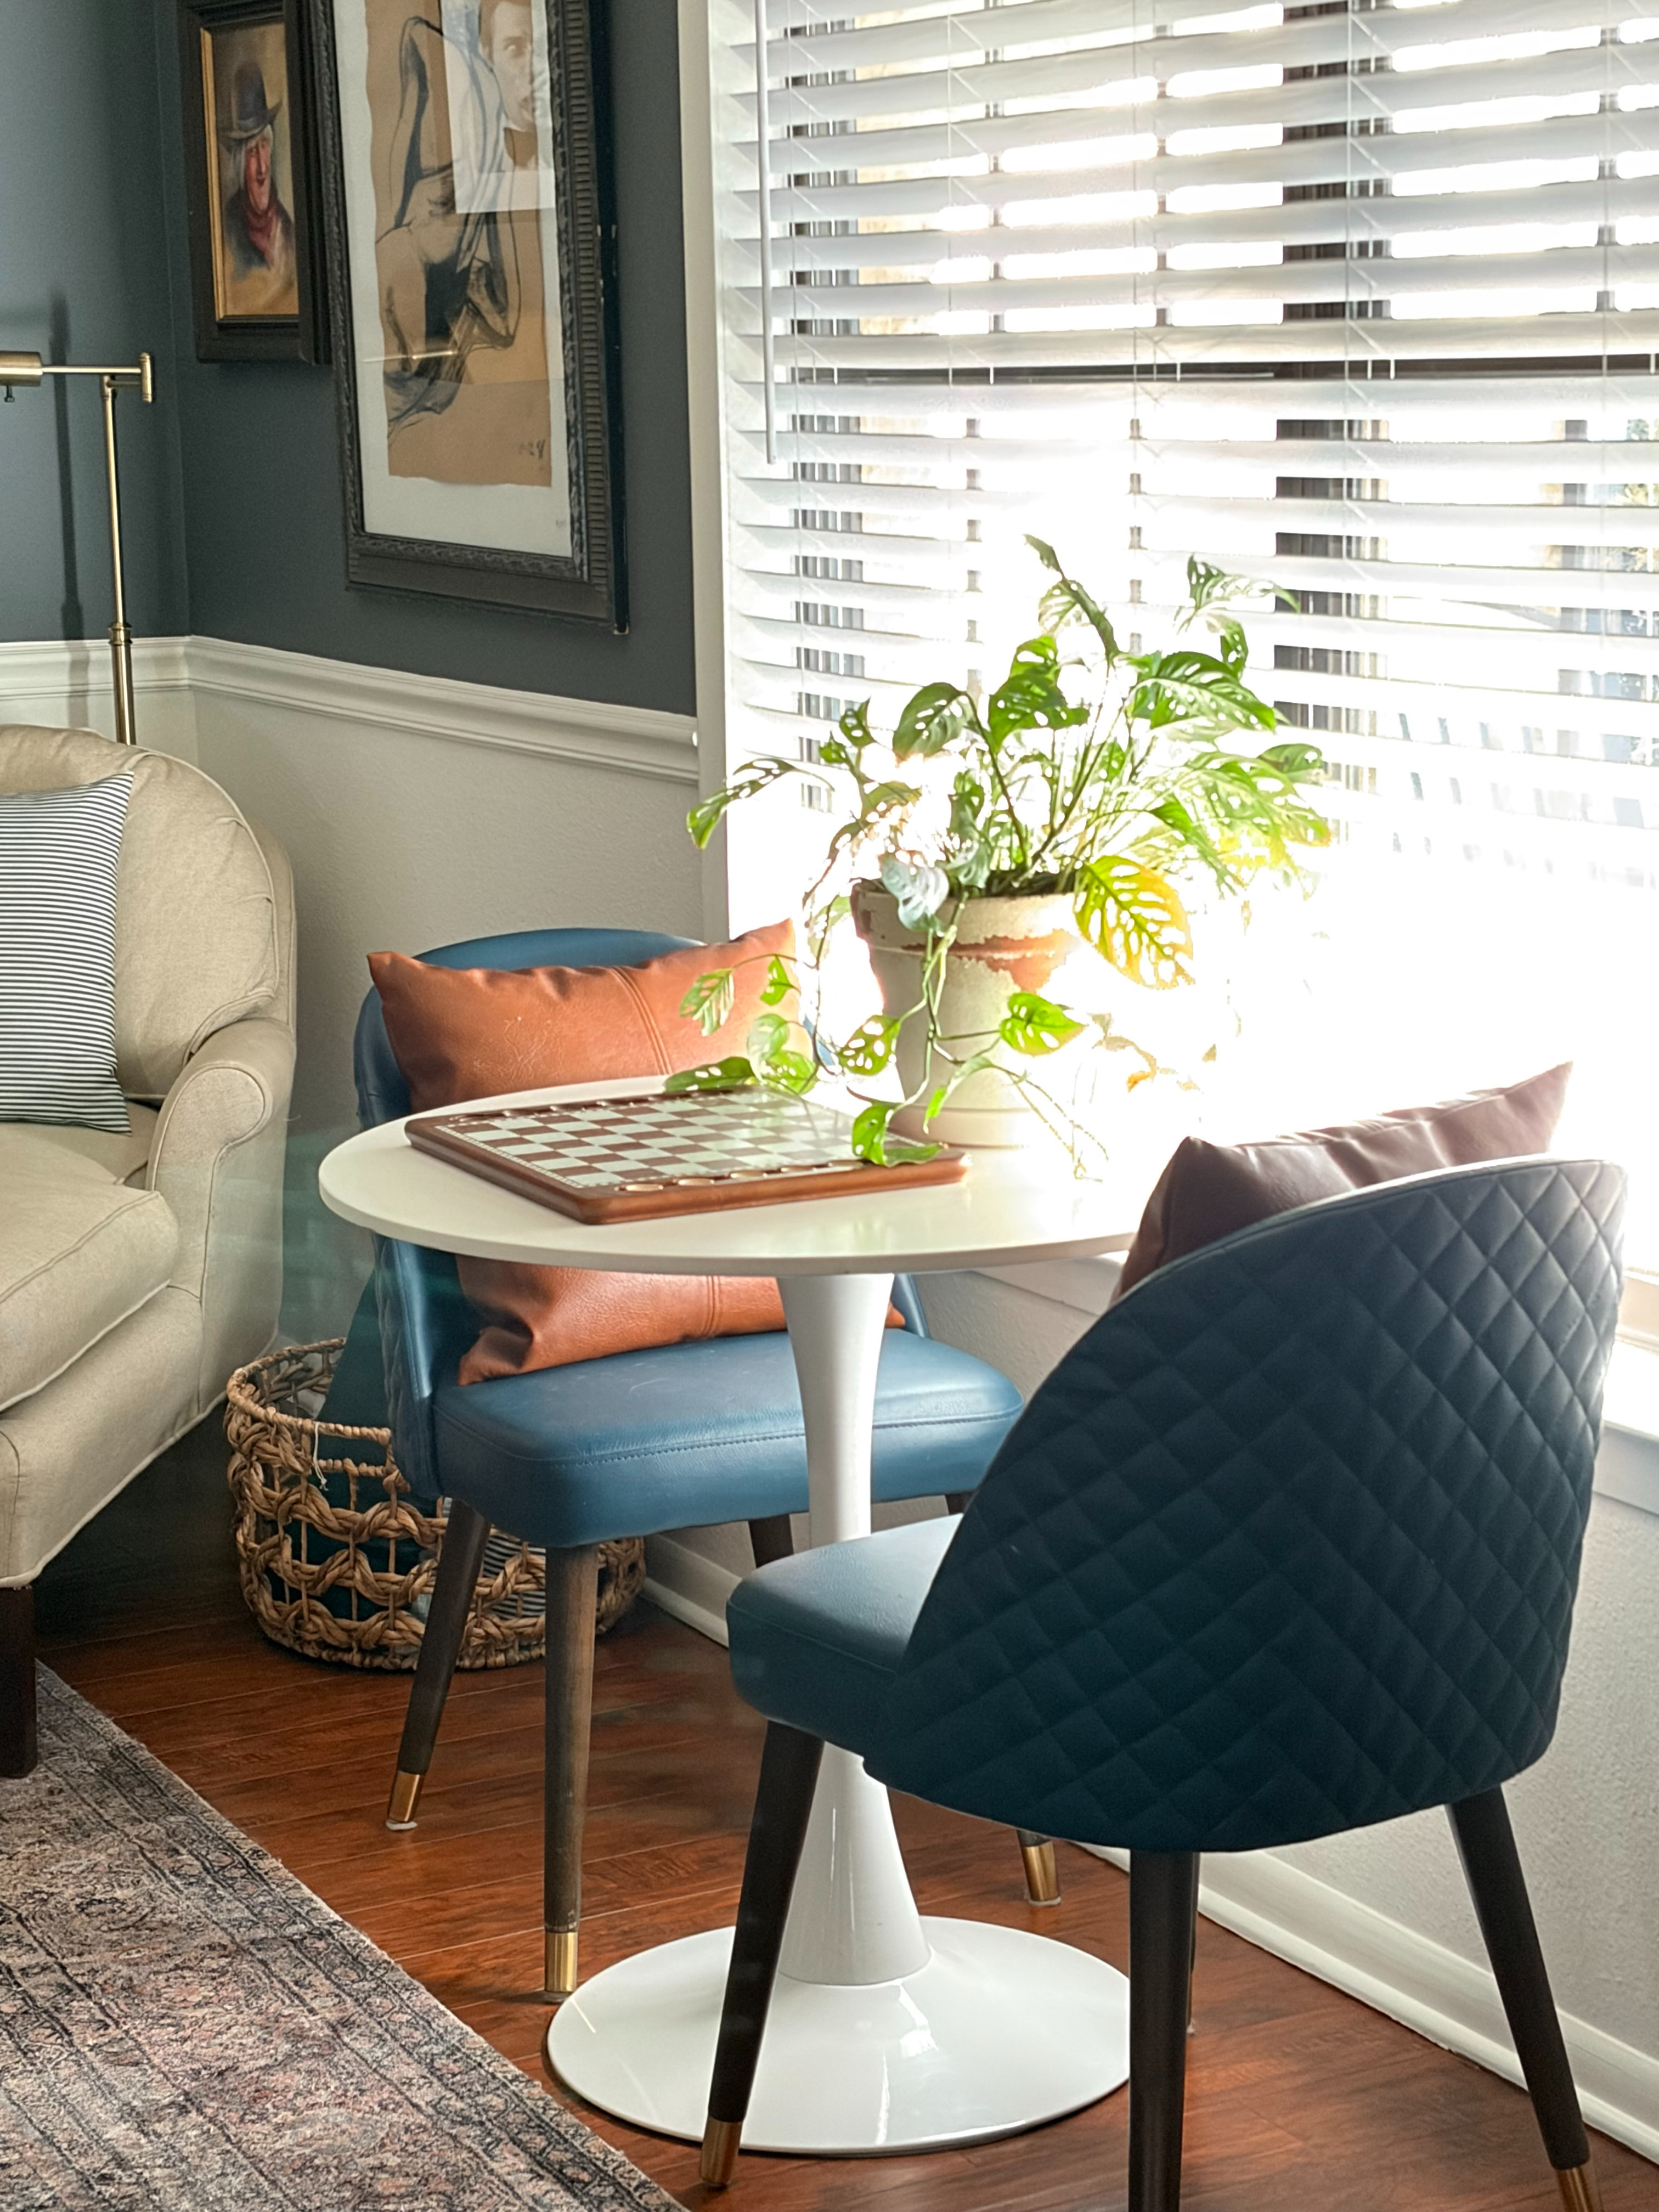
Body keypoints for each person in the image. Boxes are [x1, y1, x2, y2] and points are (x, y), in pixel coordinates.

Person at [217, 59, 297, 314]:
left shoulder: (286, 229)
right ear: (241, 163)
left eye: (265, 146)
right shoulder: (229, 227)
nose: (262, 168)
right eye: (253, 152)